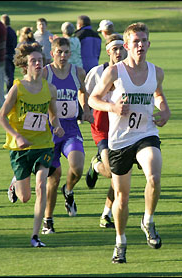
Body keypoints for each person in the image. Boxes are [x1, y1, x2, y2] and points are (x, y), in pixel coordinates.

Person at [88, 22, 171, 264]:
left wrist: (164, 110)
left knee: (154, 177)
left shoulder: (157, 72)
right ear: (126, 46)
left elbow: (158, 95)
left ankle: (147, 220)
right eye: (136, 41)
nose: (140, 45)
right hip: (119, 140)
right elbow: (94, 99)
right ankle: (120, 242)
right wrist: (112, 106)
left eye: (144, 41)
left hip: (146, 134)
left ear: (149, 44)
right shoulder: (114, 72)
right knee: (121, 197)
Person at [0, 42, 64, 247]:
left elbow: (53, 115)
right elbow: (1, 118)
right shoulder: (17, 88)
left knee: (42, 185)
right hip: (20, 147)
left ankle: (35, 236)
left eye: (40, 61)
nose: (37, 64)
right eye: (33, 61)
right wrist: (16, 136)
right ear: (25, 65)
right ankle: (15, 183)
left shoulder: (49, 88)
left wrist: (58, 126)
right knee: (24, 197)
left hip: (43, 144)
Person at [41, 37, 94, 234]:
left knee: (78, 167)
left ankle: (69, 190)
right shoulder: (45, 73)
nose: (62, 56)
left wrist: (85, 109)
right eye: (59, 52)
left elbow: (83, 91)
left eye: (66, 52)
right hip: (49, 131)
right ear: (52, 53)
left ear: (70, 53)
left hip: (70, 128)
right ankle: (48, 220)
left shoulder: (77, 72)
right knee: (52, 180)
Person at [85, 34, 127, 229]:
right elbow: (85, 94)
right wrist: (85, 111)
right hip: (102, 127)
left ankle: (106, 214)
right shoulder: (96, 72)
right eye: (115, 49)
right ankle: (95, 165)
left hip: (123, 129)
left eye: (121, 48)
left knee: (120, 173)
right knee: (110, 172)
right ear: (108, 51)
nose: (119, 53)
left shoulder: (129, 72)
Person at [74, 15, 102, 123]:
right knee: (92, 91)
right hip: (94, 65)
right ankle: (90, 112)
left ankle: (80, 115)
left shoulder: (78, 35)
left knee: (80, 91)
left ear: (80, 24)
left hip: (82, 66)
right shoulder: (97, 36)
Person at [1, 14, 17, 93]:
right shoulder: (13, 31)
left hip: (5, 56)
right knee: (11, 75)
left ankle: (9, 92)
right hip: (12, 55)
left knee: (7, 77)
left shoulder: (3, 31)